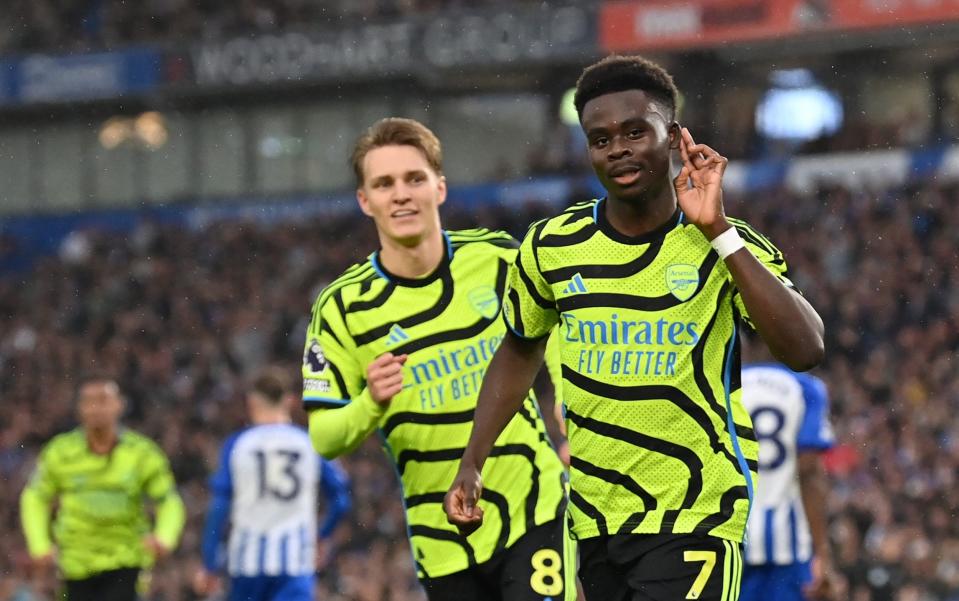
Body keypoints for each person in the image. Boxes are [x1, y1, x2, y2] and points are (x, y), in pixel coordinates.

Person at [445, 54, 825, 601]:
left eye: (633, 132)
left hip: (696, 511)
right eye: (600, 139)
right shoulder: (552, 247)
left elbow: (806, 347)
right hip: (595, 518)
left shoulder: (725, 244)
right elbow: (519, 348)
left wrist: (717, 230)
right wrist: (472, 461)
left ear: (671, 137)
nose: (617, 148)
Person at [302, 117, 573, 601]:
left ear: (440, 188)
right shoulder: (342, 308)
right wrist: (369, 402)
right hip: (440, 538)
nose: (401, 194)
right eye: (384, 184)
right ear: (366, 201)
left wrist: (564, 395)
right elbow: (323, 437)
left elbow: (555, 324)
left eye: (414, 179)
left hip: (534, 505)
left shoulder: (497, 260)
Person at [19, 374, 185, 601]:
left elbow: (168, 499)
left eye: (103, 400)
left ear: (120, 405)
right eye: (89, 401)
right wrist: (39, 544)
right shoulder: (60, 452)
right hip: (75, 560)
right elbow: (35, 497)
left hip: (126, 557)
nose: (96, 408)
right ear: (80, 408)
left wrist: (166, 536)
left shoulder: (141, 453)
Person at [194, 367, 352, 601]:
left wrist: (209, 564)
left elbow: (219, 507)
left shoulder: (238, 445)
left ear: (251, 403)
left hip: (247, 562)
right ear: (289, 401)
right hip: (295, 562)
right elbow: (340, 501)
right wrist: (322, 535)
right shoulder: (309, 443)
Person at [739, 334, 842, 601]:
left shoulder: (723, 386)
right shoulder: (806, 389)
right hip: (786, 547)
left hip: (732, 536)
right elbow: (809, 471)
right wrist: (823, 555)